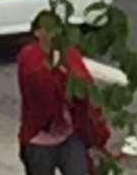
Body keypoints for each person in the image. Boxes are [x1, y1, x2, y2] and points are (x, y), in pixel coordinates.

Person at [18, 10, 110, 175]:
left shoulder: (69, 54)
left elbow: (87, 90)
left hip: (70, 135)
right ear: (37, 32)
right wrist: (58, 72)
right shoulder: (29, 57)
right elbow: (38, 90)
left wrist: (98, 133)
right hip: (39, 138)